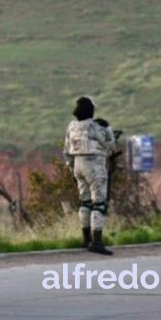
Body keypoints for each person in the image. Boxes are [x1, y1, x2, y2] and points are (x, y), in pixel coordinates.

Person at [64, 95, 116, 255]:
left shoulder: (71, 127)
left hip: (77, 165)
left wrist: (71, 168)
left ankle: (86, 239)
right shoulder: (95, 127)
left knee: (84, 202)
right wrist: (107, 128)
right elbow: (110, 145)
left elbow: (66, 151)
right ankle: (97, 241)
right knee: (99, 203)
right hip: (94, 165)